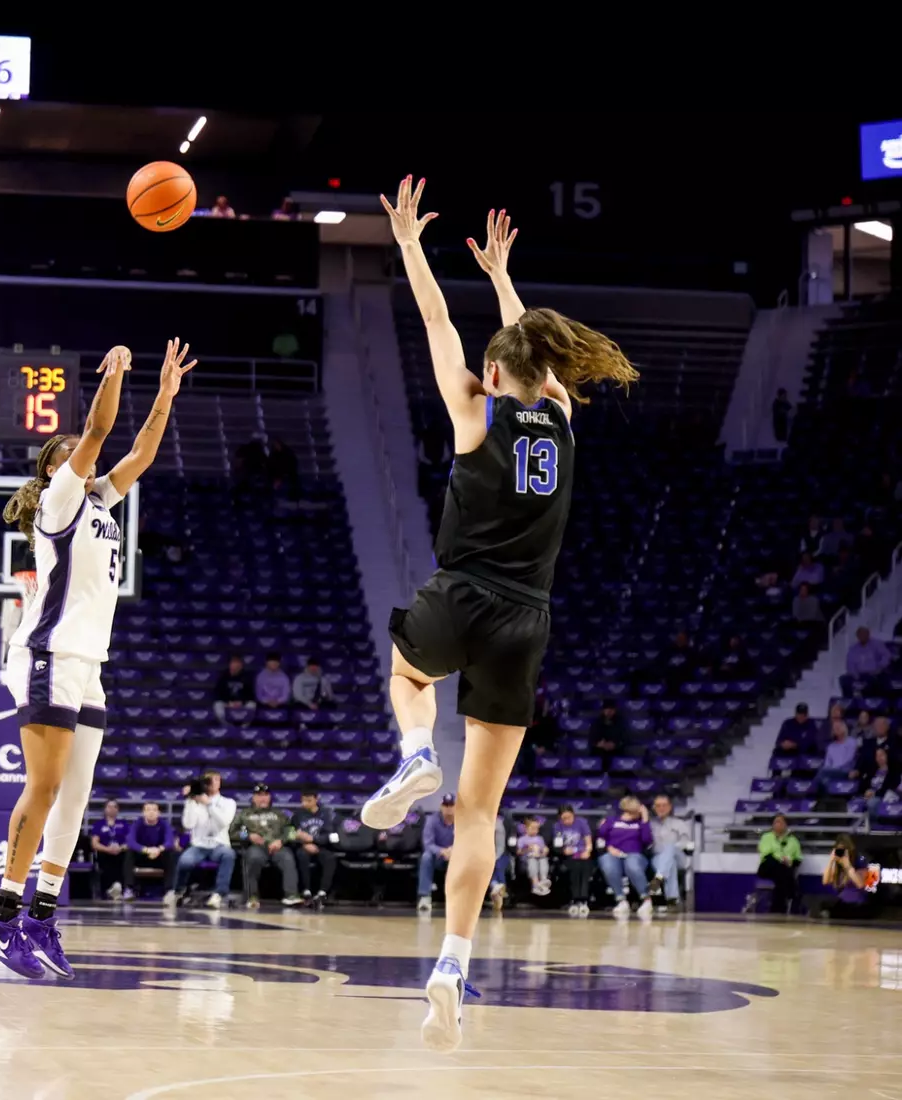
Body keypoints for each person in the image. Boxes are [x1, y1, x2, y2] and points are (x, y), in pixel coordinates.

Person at [364, 191, 638, 1052]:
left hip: (462, 589)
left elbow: (436, 317)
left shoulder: (473, 413)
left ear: (493, 372)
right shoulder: (558, 420)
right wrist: (509, 280)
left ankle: (414, 752)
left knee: (408, 674)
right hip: (527, 618)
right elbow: (533, 353)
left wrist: (411, 243)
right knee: (477, 815)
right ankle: (450, 964)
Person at [0, 338, 197, 981]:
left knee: (75, 796)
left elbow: (140, 454)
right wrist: (120, 371)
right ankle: (2, 913)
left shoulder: (100, 499)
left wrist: (164, 395)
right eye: (70, 449)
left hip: (86, 663)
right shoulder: (61, 500)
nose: (84, 449)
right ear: (56, 469)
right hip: (48, 654)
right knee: (42, 788)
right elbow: (101, 428)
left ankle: (42, 918)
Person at [169, 772, 237, 909]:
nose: (215, 783)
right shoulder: (194, 803)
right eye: (211, 780)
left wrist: (209, 804)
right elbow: (188, 824)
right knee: (184, 861)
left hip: (219, 844)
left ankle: (219, 894)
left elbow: (224, 822)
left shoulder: (228, 802)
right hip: (199, 845)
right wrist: (190, 801)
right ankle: (178, 891)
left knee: (228, 854)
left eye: (217, 779)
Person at [597, 796, 654, 917]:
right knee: (608, 864)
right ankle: (621, 900)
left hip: (635, 854)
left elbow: (647, 840)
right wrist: (608, 847)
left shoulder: (641, 823)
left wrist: (645, 819)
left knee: (632, 865)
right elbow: (600, 838)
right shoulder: (611, 821)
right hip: (613, 853)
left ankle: (646, 899)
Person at [289, 789, 338, 903]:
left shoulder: (326, 814)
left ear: (316, 799)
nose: (305, 803)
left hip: (321, 846)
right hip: (303, 846)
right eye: (303, 800)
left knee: (330, 858)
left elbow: (330, 835)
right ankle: (306, 891)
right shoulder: (297, 814)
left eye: (309, 800)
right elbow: (291, 833)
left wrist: (313, 840)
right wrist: (303, 842)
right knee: (301, 855)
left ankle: (323, 892)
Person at [647, 793, 694, 908]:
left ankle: (658, 878)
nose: (661, 808)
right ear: (654, 808)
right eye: (658, 806)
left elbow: (686, 843)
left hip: (680, 858)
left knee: (670, 847)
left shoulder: (679, 824)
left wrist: (672, 847)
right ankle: (672, 898)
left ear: (670, 807)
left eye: (664, 805)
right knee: (669, 862)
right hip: (658, 858)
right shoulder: (650, 824)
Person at [125, 801, 175, 899]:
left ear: (158, 813)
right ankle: (129, 889)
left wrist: (158, 849)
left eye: (154, 810)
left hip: (158, 856)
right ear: (143, 813)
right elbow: (131, 842)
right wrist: (146, 850)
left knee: (170, 853)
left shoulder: (164, 824)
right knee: (129, 853)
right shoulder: (137, 824)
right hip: (142, 856)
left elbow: (170, 841)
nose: (151, 812)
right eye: (148, 810)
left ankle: (169, 890)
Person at [820, 833, 877, 919]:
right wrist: (831, 861)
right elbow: (825, 881)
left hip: (859, 905)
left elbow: (860, 884)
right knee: (825, 906)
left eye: (843, 850)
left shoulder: (860, 863)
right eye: (839, 850)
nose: (841, 853)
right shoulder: (838, 867)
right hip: (843, 903)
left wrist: (848, 865)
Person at [416, 795, 457, 913]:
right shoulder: (432, 820)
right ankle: (425, 897)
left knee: (470, 858)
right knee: (426, 857)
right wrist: (442, 851)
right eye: (446, 805)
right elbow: (428, 844)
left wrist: (454, 850)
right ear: (441, 806)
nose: (448, 809)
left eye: (451, 805)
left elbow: (467, 841)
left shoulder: (462, 821)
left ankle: (465, 899)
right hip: (438, 857)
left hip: (456, 857)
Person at [755, 814, 801, 914]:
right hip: (768, 866)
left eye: (780, 822)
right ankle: (791, 894)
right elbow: (767, 854)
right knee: (784, 873)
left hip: (786, 868)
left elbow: (798, 859)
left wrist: (790, 862)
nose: (777, 824)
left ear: (786, 825)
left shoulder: (793, 841)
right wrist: (782, 860)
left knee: (782, 876)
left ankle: (776, 908)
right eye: (775, 822)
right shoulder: (766, 837)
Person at [552, 805, 593, 915]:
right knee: (574, 868)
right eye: (564, 818)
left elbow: (588, 841)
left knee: (584, 867)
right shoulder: (557, 826)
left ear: (573, 815)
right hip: (568, 855)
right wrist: (563, 850)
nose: (567, 821)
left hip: (583, 853)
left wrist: (587, 851)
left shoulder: (582, 823)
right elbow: (558, 845)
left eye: (569, 817)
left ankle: (583, 899)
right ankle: (575, 899)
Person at [89, 800, 130, 900]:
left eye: (114, 807)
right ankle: (109, 890)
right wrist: (108, 849)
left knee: (125, 858)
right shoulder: (99, 824)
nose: (112, 809)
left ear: (118, 809)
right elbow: (94, 844)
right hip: (104, 852)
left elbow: (130, 841)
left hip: (120, 852)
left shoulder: (123, 824)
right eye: (109, 806)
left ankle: (120, 888)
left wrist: (120, 848)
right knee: (104, 859)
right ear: (105, 809)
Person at [211, 654, 254, 726]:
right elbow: (218, 693)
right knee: (217, 705)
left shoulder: (247, 677)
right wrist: (228, 702)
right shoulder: (223, 676)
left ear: (241, 665)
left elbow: (250, 694)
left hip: (241, 703)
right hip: (228, 703)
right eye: (233, 662)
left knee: (252, 705)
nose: (236, 665)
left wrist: (241, 702)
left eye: (238, 663)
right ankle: (228, 727)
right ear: (230, 664)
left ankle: (243, 728)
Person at [818, 720, 859, 789]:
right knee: (824, 776)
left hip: (846, 771)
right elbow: (827, 764)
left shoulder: (852, 742)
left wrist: (835, 768)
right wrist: (831, 769)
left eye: (839, 727)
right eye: (835, 728)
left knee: (822, 773)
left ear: (844, 728)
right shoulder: (831, 746)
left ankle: (810, 792)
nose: (837, 729)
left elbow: (849, 759)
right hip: (832, 772)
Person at [515, 817, 550, 895]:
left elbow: (543, 848)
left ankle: (543, 880)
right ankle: (535, 885)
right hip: (527, 859)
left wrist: (545, 850)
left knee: (543, 860)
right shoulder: (522, 839)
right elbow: (518, 852)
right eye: (532, 828)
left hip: (538, 857)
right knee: (532, 862)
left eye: (537, 828)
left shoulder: (539, 838)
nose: (535, 831)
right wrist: (527, 849)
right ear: (526, 828)